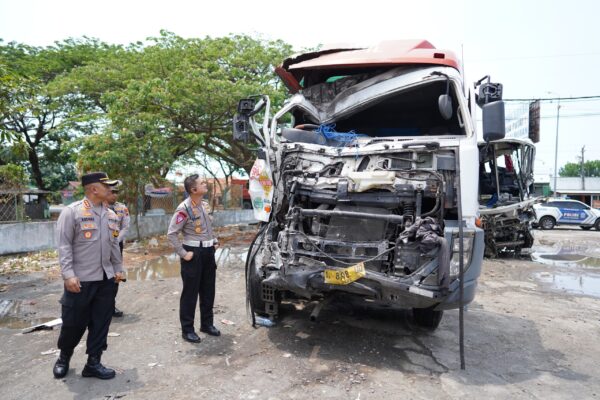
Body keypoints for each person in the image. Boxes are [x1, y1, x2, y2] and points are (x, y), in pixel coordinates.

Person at [52, 172, 124, 380]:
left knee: (101, 322)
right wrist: (68, 274)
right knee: (73, 323)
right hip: (80, 280)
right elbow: (64, 245)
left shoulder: (111, 215)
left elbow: (114, 246)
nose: (110, 190)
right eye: (106, 186)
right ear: (94, 189)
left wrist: (118, 270)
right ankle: (64, 356)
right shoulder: (72, 212)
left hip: (106, 279)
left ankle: (94, 362)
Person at [167, 174, 220, 343]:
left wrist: (214, 241)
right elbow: (172, 234)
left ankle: (207, 324)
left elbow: (209, 227)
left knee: (208, 290)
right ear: (193, 189)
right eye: (202, 183)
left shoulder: (204, 205)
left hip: (208, 253)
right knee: (190, 293)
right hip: (193, 254)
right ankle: (187, 329)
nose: (206, 185)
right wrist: (183, 253)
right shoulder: (184, 208)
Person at [106, 185, 130, 317]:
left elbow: (125, 227)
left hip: (116, 245)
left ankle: (111, 305)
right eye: (111, 192)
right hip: (99, 247)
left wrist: (115, 241)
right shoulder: (97, 207)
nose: (114, 195)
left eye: (116, 192)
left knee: (116, 275)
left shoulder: (122, 208)